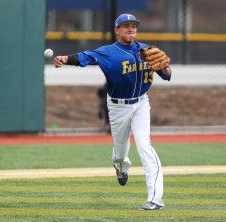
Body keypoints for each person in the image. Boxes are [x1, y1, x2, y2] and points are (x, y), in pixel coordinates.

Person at [54, 13, 171, 210]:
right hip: (118, 107)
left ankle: (155, 199)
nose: (131, 28)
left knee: (145, 147)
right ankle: (120, 167)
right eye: (126, 26)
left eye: (134, 25)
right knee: (120, 152)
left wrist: (166, 67)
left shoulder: (148, 50)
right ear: (117, 30)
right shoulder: (108, 52)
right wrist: (65, 59)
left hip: (142, 103)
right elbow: (85, 57)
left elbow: (166, 74)